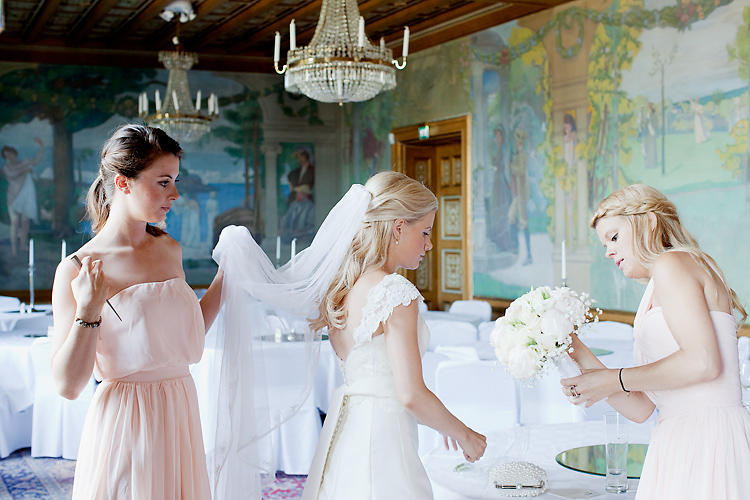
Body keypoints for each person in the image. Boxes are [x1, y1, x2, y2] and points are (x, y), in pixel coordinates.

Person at [50, 124, 224, 499]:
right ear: (123, 183)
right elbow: (67, 386)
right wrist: (89, 310)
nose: (175, 194)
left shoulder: (170, 249)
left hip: (180, 410)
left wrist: (227, 278)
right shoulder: (77, 269)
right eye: (164, 182)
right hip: (126, 421)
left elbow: (185, 338)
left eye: (175, 180)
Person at [300, 171, 487, 499]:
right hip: (384, 441)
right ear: (399, 227)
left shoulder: (343, 290)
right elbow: (410, 393)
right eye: (426, 232)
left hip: (348, 435)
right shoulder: (395, 290)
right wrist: (464, 434)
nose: (429, 245)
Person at [560, 184, 750, 500]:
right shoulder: (659, 284)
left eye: (614, 237)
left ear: (648, 221)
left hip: (709, 438)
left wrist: (612, 378)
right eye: (604, 244)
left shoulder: (672, 262)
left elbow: (704, 363)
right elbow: (640, 407)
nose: (608, 251)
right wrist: (576, 350)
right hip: (679, 438)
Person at [2, 138, 42, 256]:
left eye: (10, 154)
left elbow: (37, 160)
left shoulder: (23, 163)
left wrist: (41, 146)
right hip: (13, 197)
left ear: (14, 154)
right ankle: (14, 248)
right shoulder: (6, 168)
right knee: (15, 222)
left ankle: (23, 245)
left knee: (25, 222)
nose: (9, 157)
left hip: (24, 197)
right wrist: (24, 170)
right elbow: (12, 174)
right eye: (6, 156)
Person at [508, 129, 532, 265]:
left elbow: (521, 170)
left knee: (523, 222)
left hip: (521, 193)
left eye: (517, 140)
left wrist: (512, 167)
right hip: (517, 193)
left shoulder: (522, 153)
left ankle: (528, 255)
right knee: (511, 217)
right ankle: (515, 247)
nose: (516, 142)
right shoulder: (517, 152)